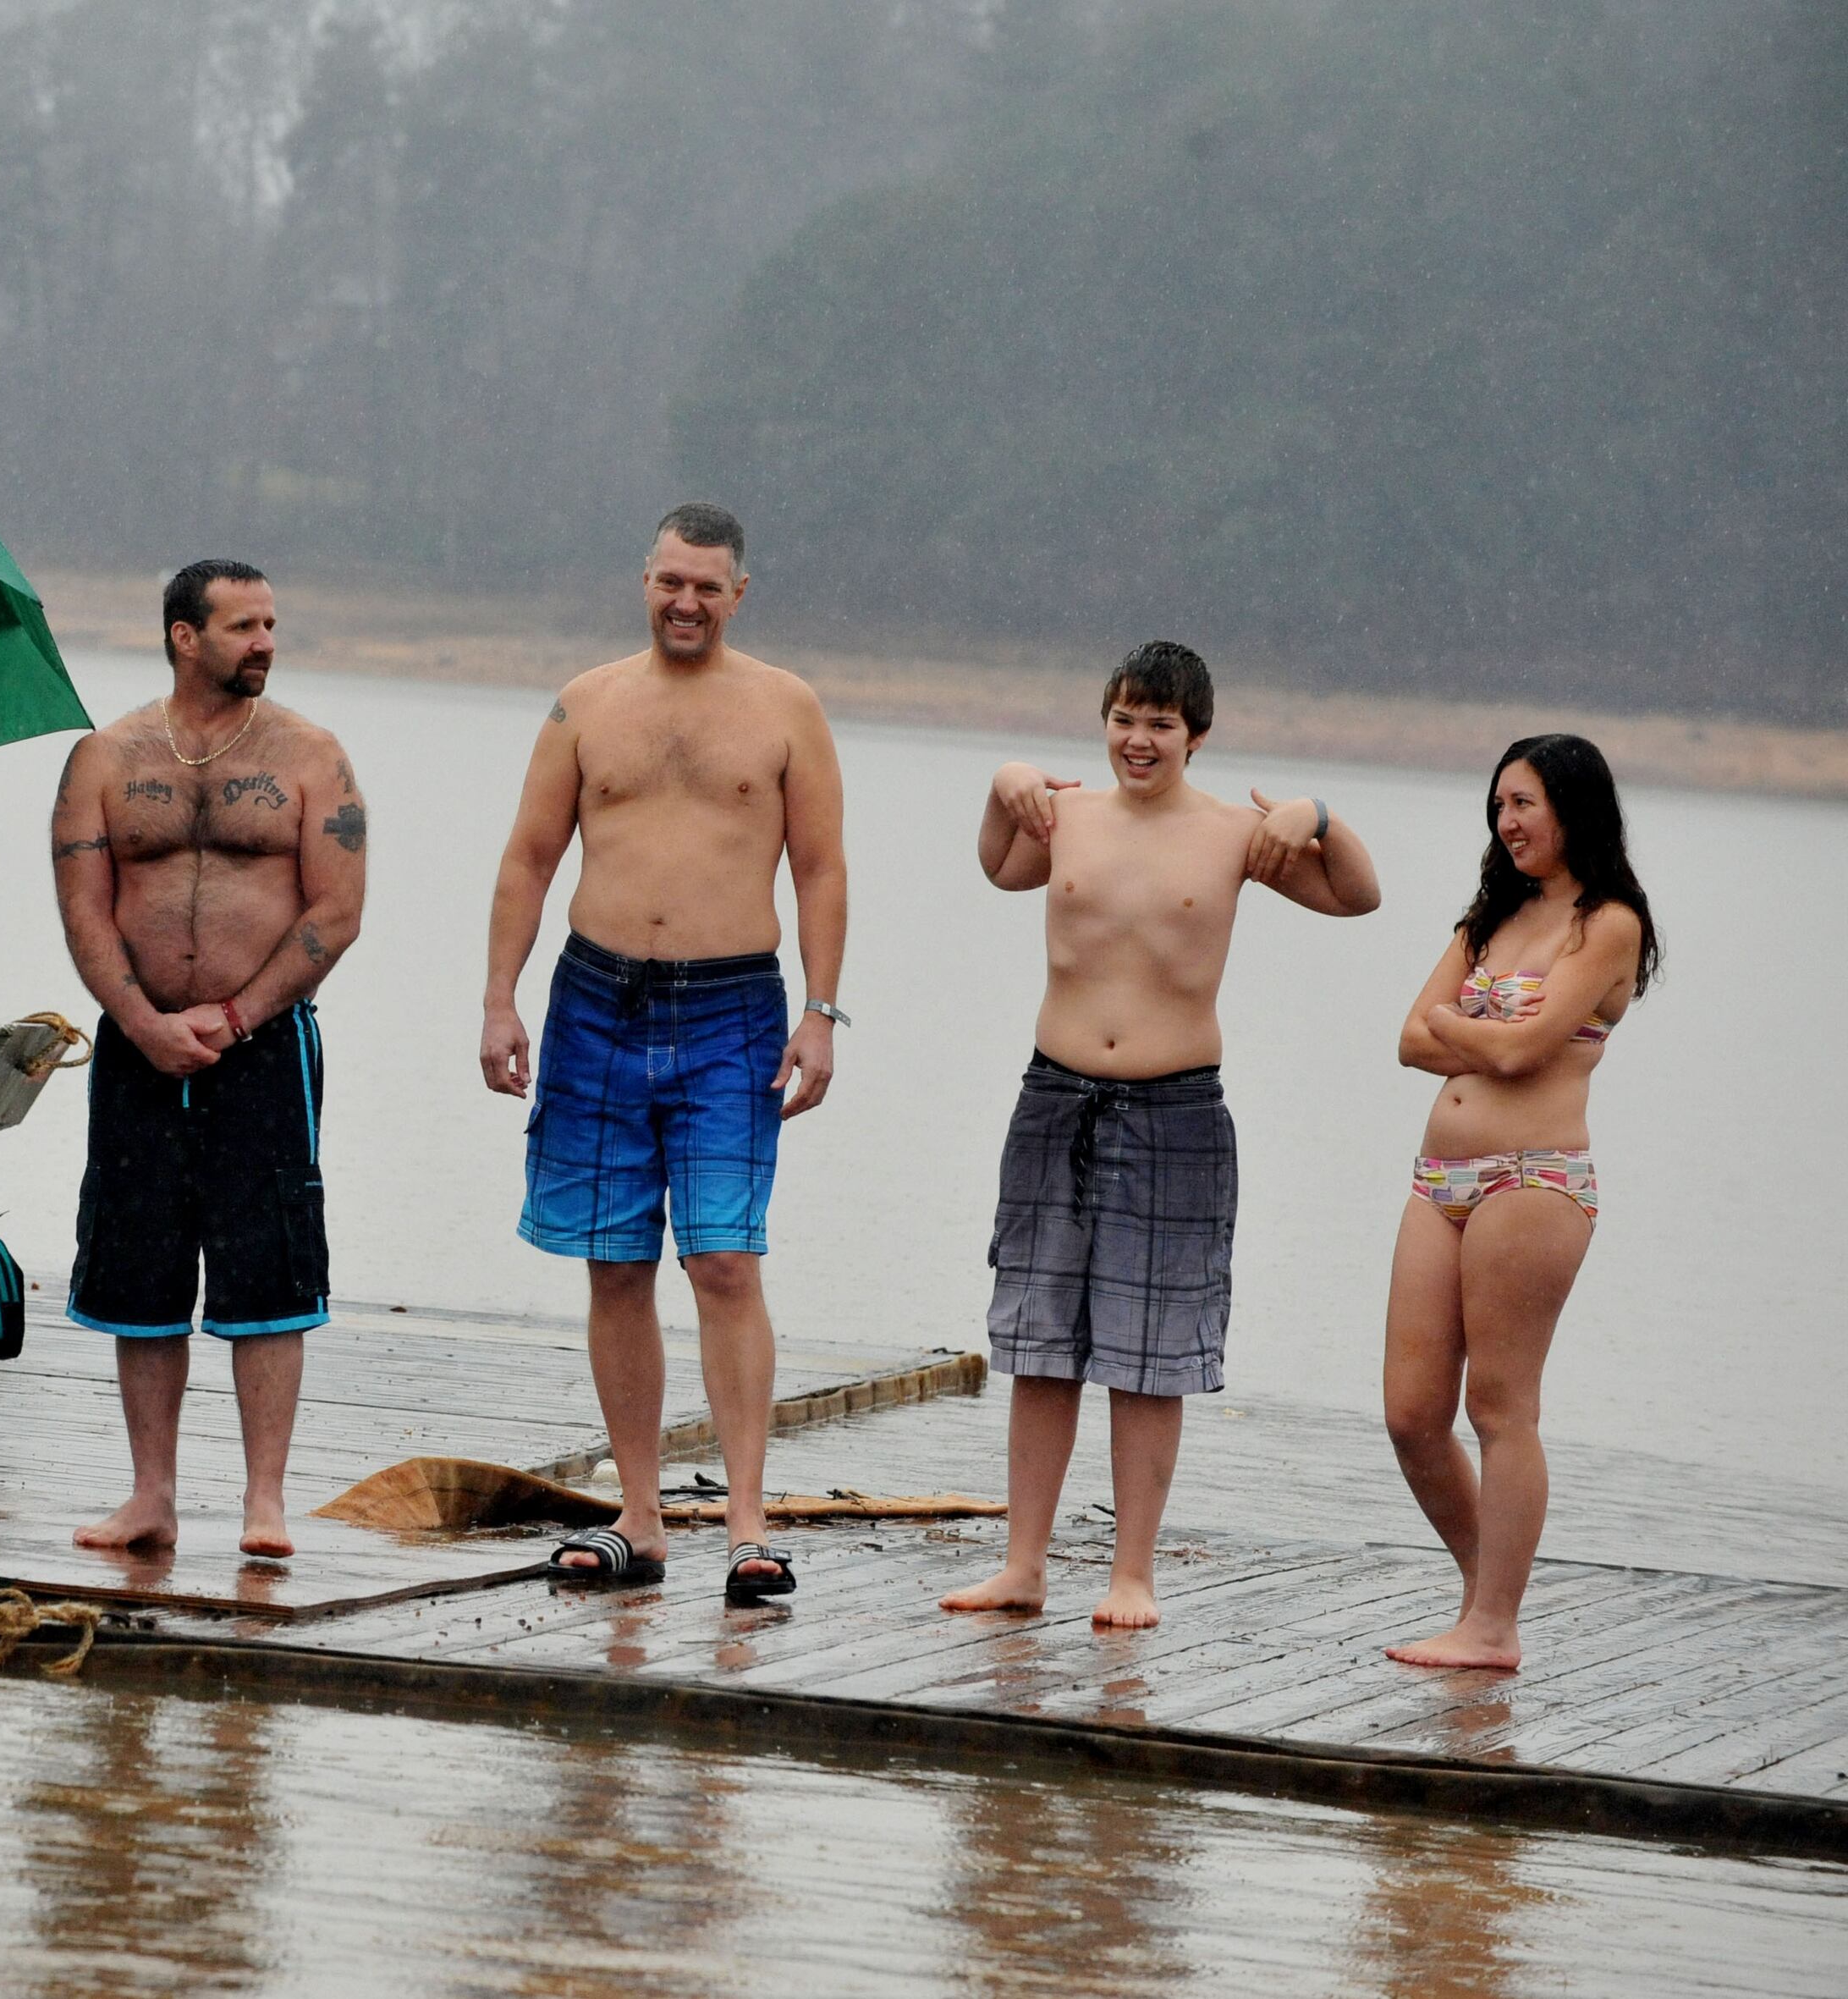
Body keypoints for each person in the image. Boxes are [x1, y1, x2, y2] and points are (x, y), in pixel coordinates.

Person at [940, 642, 1380, 1628]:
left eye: (1162, 725)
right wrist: (1003, 784)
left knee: (1149, 1353)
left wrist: (1317, 816)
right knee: (1040, 1339)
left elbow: (1358, 894)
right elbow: (999, 865)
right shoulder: (1068, 817)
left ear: (1198, 736)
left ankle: (1131, 1572)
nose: (1140, 741)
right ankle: (1023, 1564)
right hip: (1055, 1096)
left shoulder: (1236, 834)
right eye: (1125, 720)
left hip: (1174, 1105)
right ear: (1105, 722)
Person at [479, 504, 847, 1605]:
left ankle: (747, 1525)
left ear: (740, 595)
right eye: (669, 581)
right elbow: (527, 860)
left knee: (726, 1259)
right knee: (615, 1258)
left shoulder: (787, 707)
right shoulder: (585, 704)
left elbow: (822, 868)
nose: (685, 601)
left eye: (707, 586)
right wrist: (499, 1001)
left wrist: (822, 1011)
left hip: (734, 1007)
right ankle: (638, 1519)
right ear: (644, 580)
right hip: (597, 999)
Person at [52, 558, 364, 1560]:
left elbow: (337, 911)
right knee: (139, 1272)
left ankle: (263, 1502)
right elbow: (85, 914)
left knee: (268, 1270)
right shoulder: (104, 757)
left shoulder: (313, 756)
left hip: (265, 1045)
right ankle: (152, 1495)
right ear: (185, 635)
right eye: (242, 626)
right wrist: (143, 1020)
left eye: (271, 623)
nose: (264, 641)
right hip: (137, 1046)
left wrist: (233, 1018)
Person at [1381, 737, 1655, 1671]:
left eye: (1526, 802)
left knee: (1501, 1408)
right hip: (1439, 1182)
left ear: (1574, 807)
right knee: (1412, 1416)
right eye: (1499, 804)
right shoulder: (1489, 916)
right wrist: (1482, 1034)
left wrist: (1471, 1027)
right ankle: (1485, 1595)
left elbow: (1519, 1053)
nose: (1508, 821)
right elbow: (1408, 1041)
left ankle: (1492, 1627)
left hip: (1532, 1179)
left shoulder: (1608, 923)